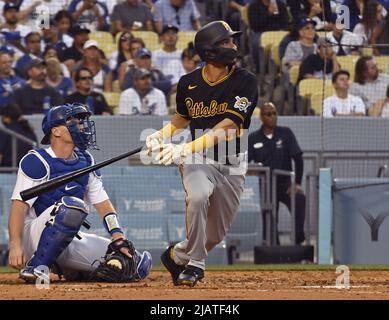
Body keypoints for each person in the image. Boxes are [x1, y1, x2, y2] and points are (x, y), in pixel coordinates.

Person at [145, 21, 258, 286]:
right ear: (211, 50)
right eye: (227, 41)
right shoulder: (188, 83)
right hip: (199, 160)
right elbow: (182, 118)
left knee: (215, 235)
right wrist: (161, 134)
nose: (233, 45)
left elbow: (230, 126)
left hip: (232, 162)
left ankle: (177, 255)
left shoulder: (245, 80)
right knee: (197, 196)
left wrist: (185, 147)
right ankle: (195, 264)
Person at [8, 103, 152, 283]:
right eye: (72, 122)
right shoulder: (36, 160)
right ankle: (37, 268)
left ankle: (74, 271)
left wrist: (117, 235)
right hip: (33, 236)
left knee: (137, 263)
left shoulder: (86, 160)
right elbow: (18, 207)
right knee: (73, 206)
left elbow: (103, 204)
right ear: (56, 131)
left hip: (68, 239)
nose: (81, 126)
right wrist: (15, 245)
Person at [248, 102, 305, 245]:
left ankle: (299, 238)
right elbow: (245, 163)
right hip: (265, 185)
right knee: (269, 217)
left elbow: (298, 158)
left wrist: (297, 183)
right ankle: (275, 249)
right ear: (261, 117)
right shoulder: (253, 138)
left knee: (299, 199)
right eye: (268, 114)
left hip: (285, 183)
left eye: (274, 114)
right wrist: (253, 171)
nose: (272, 117)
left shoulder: (286, 133)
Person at [0, 103, 37, 167]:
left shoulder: (5, 132)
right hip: (27, 172)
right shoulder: (29, 131)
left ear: (7, 117)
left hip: (8, 172)